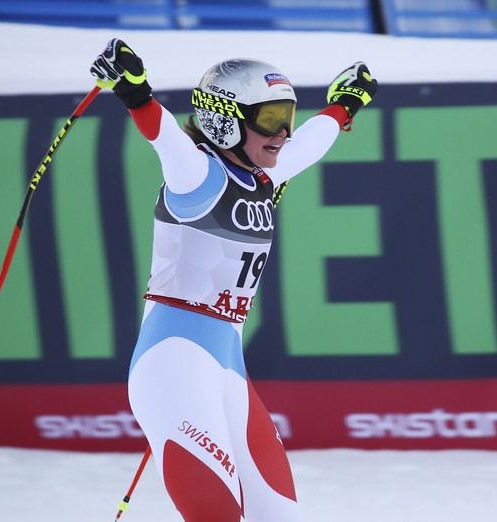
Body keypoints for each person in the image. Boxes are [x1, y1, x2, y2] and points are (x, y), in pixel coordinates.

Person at [90, 38, 377, 522]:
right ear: (224, 118)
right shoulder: (197, 177)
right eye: (269, 118)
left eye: (287, 114)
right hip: (173, 367)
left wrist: (344, 104)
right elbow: (165, 138)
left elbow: (309, 143)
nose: (284, 131)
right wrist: (135, 92)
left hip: (228, 369)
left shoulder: (263, 171)